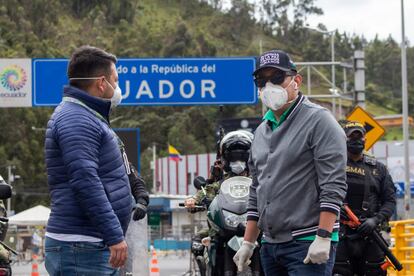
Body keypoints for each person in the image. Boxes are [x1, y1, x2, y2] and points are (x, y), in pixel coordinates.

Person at [233, 49, 348, 275]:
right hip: (270, 245)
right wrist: (248, 242)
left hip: (307, 243)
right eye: (261, 80)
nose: (269, 86)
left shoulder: (319, 121)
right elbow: (258, 189)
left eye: (276, 78)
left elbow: (333, 184)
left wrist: (324, 236)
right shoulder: (260, 132)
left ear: (296, 80)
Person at [44, 46, 132, 275]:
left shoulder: (88, 116)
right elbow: (85, 180)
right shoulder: (76, 119)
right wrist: (114, 234)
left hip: (89, 244)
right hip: (81, 247)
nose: (118, 87)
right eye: (116, 80)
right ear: (102, 83)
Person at [332, 121, 396, 276]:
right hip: (339, 234)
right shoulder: (333, 164)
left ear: (365, 140)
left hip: (370, 236)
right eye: (351, 137)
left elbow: (390, 200)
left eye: (359, 137)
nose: (356, 141)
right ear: (343, 139)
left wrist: (375, 220)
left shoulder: (378, 169)